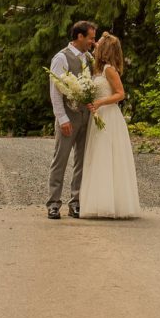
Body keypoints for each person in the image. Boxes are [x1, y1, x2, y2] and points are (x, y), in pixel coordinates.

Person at [79, 32, 141, 219]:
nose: (95, 45)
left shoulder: (108, 69)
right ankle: (100, 201)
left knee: (107, 157)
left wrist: (99, 103)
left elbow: (120, 94)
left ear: (105, 49)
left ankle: (111, 204)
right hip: (99, 116)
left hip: (108, 116)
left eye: (98, 44)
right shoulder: (99, 69)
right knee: (98, 157)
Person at [46, 20, 97, 220]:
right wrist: (62, 118)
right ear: (80, 36)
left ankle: (76, 202)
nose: (93, 42)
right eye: (91, 38)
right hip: (68, 117)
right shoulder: (61, 58)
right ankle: (53, 203)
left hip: (87, 117)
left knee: (82, 161)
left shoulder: (90, 58)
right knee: (60, 160)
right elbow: (55, 91)